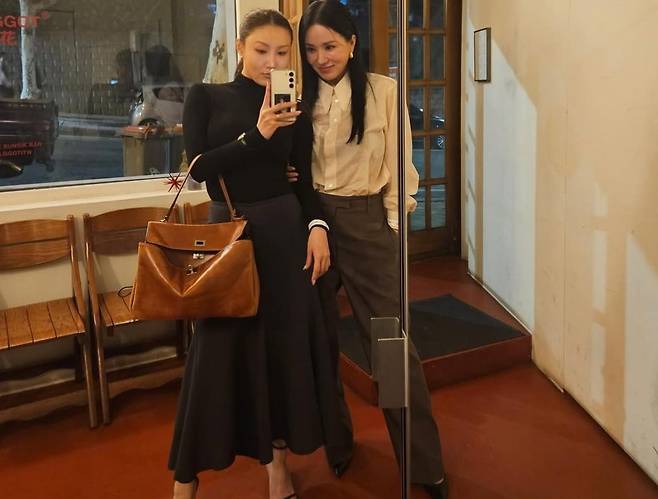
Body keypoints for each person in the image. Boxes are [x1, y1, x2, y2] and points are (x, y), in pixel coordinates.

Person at [168, 9, 344, 499]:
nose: (272, 62)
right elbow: (198, 170)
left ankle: (278, 469)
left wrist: (317, 227)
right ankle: (186, 477)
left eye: (283, 53)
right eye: (262, 50)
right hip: (229, 234)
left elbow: (302, 180)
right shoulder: (206, 96)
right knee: (215, 352)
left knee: (282, 351)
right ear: (240, 48)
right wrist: (257, 135)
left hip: (285, 235)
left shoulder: (293, 107)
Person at [291, 1, 450, 497]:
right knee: (319, 342)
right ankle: (337, 446)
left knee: (390, 346)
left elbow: (401, 163)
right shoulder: (296, 96)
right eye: (311, 49)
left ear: (352, 43)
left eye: (330, 46)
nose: (321, 58)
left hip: (366, 222)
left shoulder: (384, 91)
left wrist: (392, 229)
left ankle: (423, 463)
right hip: (311, 224)